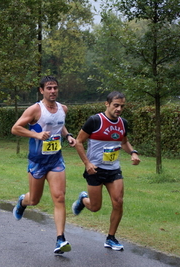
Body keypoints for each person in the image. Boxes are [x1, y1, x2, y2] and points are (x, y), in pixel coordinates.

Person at [11, 75, 76, 254]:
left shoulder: (63, 109)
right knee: (34, 199)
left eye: (55, 87)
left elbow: (59, 125)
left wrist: (68, 135)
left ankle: (60, 239)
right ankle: (22, 202)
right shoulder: (35, 110)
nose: (52, 91)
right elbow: (15, 128)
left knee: (59, 197)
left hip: (55, 160)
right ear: (41, 90)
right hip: (37, 161)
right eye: (49, 88)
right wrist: (37, 135)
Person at [72, 91, 141, 251]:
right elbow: (78, 142)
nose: (119, 109)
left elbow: (124, 142)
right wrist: (87, 163)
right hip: (95, 170)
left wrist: (133, 152)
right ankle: (83, 200)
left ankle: (111, 238)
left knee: (118, 202)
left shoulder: (123, 123)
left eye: (122, 106)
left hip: (113, 169)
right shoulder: (95, 121)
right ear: (107, 104)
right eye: (116, 105)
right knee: (95, 207)